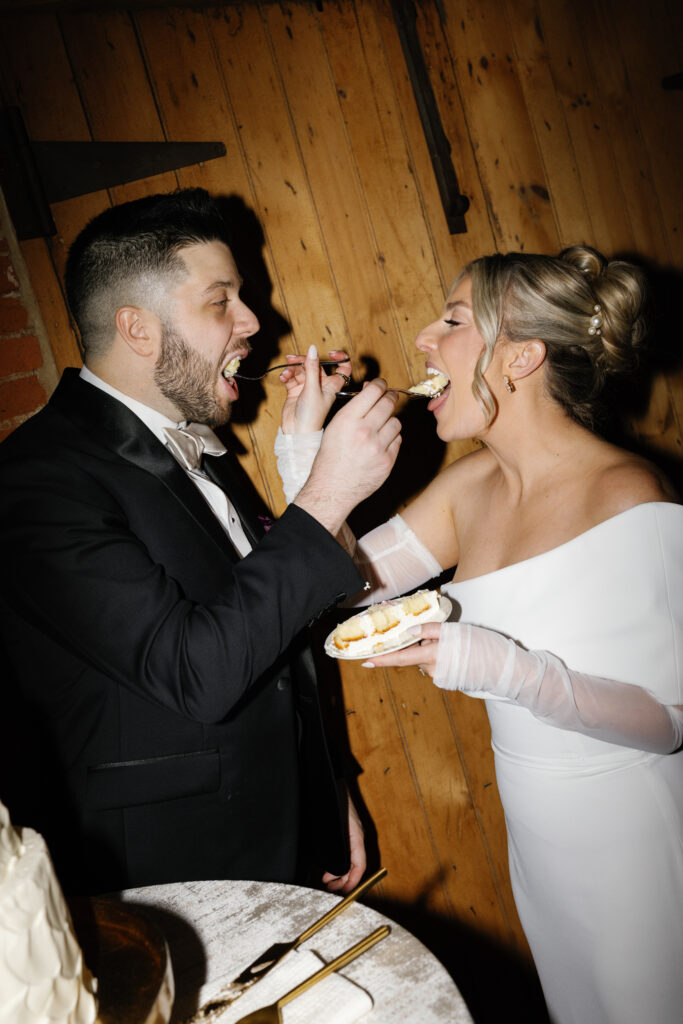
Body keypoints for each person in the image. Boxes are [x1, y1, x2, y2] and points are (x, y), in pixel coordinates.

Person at [275, 246, 683, 1024]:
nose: (423, 339)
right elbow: (337, 590)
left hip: (632, 843)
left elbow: (668, 723)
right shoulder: (469, 486)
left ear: (521, 356)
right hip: (537, 845)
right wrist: (306, 450)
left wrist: (505, 669)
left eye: (453, 321)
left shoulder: (628, 494)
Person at [0, 187, 403, 897]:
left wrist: (327, 787)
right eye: (221, 301)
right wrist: (328, 492)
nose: (254, 322)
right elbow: (197, 671)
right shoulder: (33, 481)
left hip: (285, 830)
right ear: (138, 328)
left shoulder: (194, 446)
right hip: (169, 881)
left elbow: (271, 633)